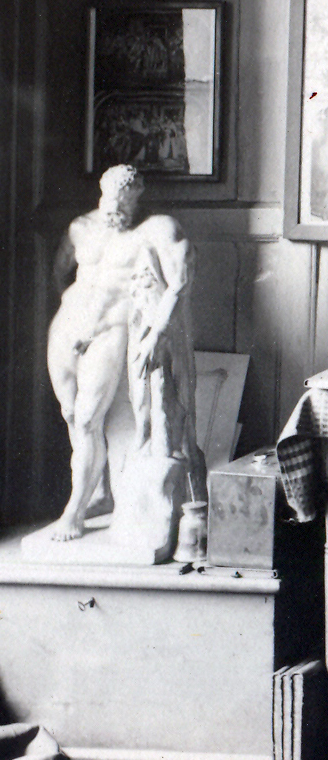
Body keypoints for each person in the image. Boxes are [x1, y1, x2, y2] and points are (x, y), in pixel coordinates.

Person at [42, 164, 207, 559]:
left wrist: (154, 330)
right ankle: (97, 491)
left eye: (126, 196)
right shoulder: (81, 227)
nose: (116, 203)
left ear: (138, 197)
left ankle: (75, 509)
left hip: (110, 333)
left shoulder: (155, 230)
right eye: (111, 194)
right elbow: (60, 272)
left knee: (87, 418)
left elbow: (180, 283)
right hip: (68, 327)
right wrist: (74, 309)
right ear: (102, 191)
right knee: (69, 414)